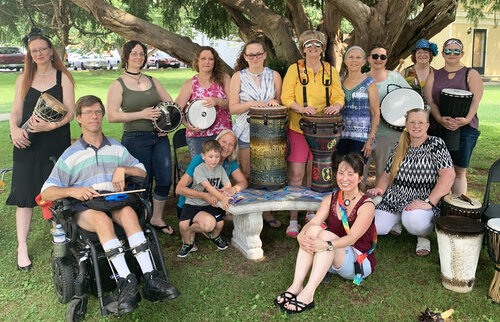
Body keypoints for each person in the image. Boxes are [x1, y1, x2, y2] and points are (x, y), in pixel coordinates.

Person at [40, 95, 180, 316]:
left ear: (103, 115)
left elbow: (142, 171)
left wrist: (123, 169)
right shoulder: (71, 155)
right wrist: (72, 191)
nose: (94, 117)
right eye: (88, 113)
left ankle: (150, 277)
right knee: (101, 219)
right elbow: (46, 191)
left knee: (128, 212)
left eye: (97, 112)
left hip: (113, 201)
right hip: (86, 208)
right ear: (79, 119)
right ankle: (126, 282)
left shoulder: (115, 147)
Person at [7, 28, 75, 271]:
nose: (38, 54)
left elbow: (70, 112)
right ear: (30, 54)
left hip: (54, 142)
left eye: (42, 49)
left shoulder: (62, 78)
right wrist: (14, 130)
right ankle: (21, 247)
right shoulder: (23, 78)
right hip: (26, 143)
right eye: (33, 51)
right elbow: (16, 112)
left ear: (50, 51)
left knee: (57, 194)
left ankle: (60, 238)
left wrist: (51, 126)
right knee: (24, 196)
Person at [274, 153, 376, 314]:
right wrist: (301, 235)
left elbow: (352, 238)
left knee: (325, 236)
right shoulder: (331, 198)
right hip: (329, 255)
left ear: (360, 178)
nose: (344, 178)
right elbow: (314, 222)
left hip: (358, 261)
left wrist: (326, 244)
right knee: (314, 230)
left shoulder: (367, 205)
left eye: (351, 174)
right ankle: (296, 285)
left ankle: (308, 294)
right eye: (341, 173)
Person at [107, 40, 175, 235]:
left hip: (158, 137)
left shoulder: (152, 80)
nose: (139, 57)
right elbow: (112, 116)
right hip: (135, 138)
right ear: (126, 56)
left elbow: (170, 105)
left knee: (164, 179)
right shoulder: (118, 84)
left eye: (142, 54)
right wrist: (141, 114)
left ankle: (156, 218)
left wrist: (166, 125)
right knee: (140, 183)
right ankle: (140, 222)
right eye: (134, 53)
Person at [281, 30, 344, 237]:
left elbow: (338, 94)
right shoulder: (294, 69)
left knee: (314, 172)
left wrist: (335, 105)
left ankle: (311, 213)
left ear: (322, 48)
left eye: (317, 45)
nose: (313, 48)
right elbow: (286, 96)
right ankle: (292, 218)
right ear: (303, 48)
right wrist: (300, 108)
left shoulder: (330, 70)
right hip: (299, 127)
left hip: (323, 130)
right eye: (309, 45)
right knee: (296, 174)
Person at [368, 108, 455, 256]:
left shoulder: (436, 144)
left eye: (421, 122)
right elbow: (387, 175)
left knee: (414, 221)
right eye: (412, 122)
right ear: (406, 125)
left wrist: (429, 202)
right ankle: (396, 220)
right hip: (395, 199)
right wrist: (380, 190)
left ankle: (423, 237)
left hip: (422, 200)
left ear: (427, 126)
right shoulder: (399, 145)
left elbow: (448, 175)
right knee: (375, 226)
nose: (416, 126)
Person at [228, 39, 282, 229]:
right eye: (251, 55)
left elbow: (280, 101)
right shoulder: (238, 77)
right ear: (245, 57)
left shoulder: (274, 75)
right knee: (248, 172)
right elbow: (232, 108)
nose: (255, 58)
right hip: (245, 131)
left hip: (269, 133)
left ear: (265, 55)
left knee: (266, 172)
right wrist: (252, 104)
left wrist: (275, 101)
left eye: (259, 54)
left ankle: (265, 211)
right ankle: (250, 212)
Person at [425, 38, 483, 195]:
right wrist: (438, 118)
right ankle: (438, 208)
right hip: (438, 127)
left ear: (462, 53)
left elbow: (476, 100)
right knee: (438, 169)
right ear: (443, 54)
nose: (452, 53)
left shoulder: (471, 74)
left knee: (459, 171)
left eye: (456, 51)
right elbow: (430, 100)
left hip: (464, 129)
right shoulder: (434, 75)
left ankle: (457, 209)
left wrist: (465, 120)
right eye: (448, 50)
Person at [175, 129, 247, 257]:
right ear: (217, 142)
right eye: (224, 142)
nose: (227, 146)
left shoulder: (229, 162)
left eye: (231, 144)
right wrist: (204, 195)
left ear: (234, 148)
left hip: (212, 204)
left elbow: (243, 182)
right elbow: (179, 189)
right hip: (190, 204)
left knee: (238, 211)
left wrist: (233, 189)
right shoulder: (200, 161)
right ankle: (189, 229)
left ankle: (203, 226)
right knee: (209, 225)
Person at [366, 43, 411, 181]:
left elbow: (410, 99)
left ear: (386, 59)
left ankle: (383, 202)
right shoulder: (362, 79)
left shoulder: (395, 78)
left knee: (384, 174)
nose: (378, 59)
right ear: (368, 58)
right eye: (375, 56)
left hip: (388, 134)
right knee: (358, 173)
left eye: (382, 56)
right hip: (364, 133)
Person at [175, 46, 232, 157]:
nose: (207, 62)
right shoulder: (190, 84)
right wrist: (187, 125)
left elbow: (233, 105)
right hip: (197, 137)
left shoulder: (224, 79)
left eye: (211, 59)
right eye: (203, 59)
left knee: (223, 170)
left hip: (222, 135)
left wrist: (217, 101)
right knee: (200, 170)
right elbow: (176, 110)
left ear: (215, 62)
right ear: (197, 61)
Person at [338, 46, 379, 163]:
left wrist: (370, 140)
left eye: (358, 57)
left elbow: (376, 112)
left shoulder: (369, 82)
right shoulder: (339, 81)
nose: (354, 60)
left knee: (356, 173)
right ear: (345, 61)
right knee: (343, 171)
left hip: (361, 137)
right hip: (341, 136)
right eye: (351, 57)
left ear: (364, 62)